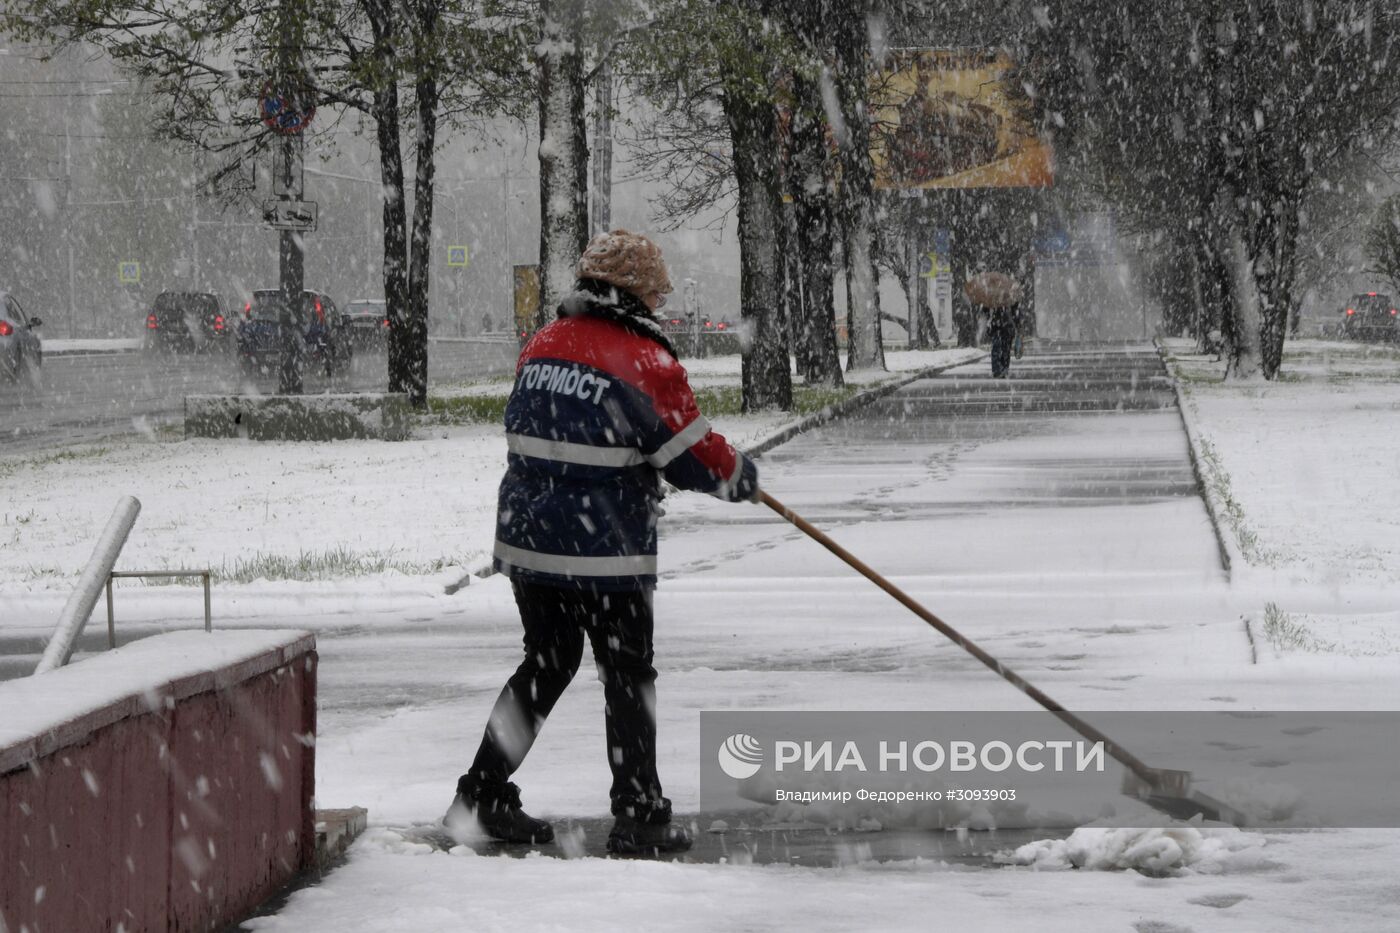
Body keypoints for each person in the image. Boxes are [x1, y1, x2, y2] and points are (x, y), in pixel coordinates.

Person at [447, 229, 761, 855]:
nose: (659, 305)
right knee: (626, 674)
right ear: (634, 295)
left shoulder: (542, 344)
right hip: (605, 550)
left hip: (530, 541)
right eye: (653, 293)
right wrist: (736, 474)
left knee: (546, 664)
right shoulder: (642, 358)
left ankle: (479, 796)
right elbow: (687, 452)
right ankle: (640, 815)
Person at [985, 301, 1018, 378]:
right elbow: (1015, 310)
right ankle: (1000, 369)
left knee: (1001, 348)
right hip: (1001, 326)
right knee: (1002, 348)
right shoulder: (1008, 296)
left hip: (1000, 326)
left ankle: (1000, 369)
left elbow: (1015, 309)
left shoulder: (994, 297)